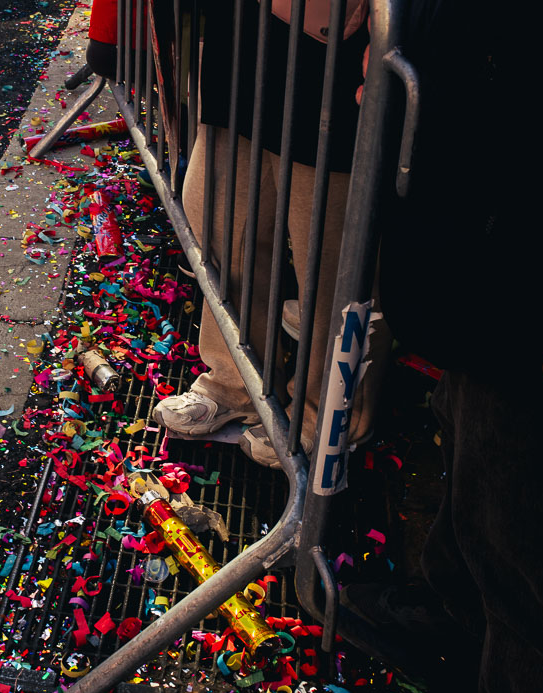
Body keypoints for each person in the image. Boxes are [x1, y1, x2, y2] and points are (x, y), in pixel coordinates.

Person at [344, 1, 543, 693]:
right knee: (475, 474)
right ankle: (453, 622)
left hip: (542, 294)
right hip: (480, 267)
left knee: (536, 568)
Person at [152, 0, 389, 468]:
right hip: (243, 47)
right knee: (219, 226)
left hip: (335, 62)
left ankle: (330, 415)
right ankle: (237, 380)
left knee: (331, 258)